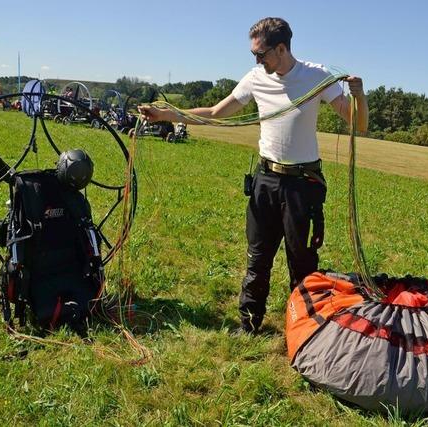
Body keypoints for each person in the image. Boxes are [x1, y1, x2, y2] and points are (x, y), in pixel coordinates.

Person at [139, 17, 368, 334]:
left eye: (261, 54)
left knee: (302, 261)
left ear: (282, 48)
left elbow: (358, 124)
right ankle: (248, 324)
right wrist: (166, 114)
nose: (257, 60)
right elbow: (217, 114)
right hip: (266, 180)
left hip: (303, 184)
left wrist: (358, 95)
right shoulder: (255, 78)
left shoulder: (317, 77)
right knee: (258, 256)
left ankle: (303, 330)